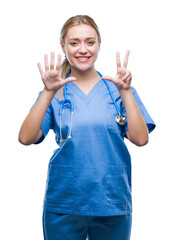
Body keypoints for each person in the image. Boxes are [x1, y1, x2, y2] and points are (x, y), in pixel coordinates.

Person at [18, 15, 156, 240]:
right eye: (74, 43)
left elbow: (141, 139)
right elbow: (25, 138)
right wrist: (47, 92)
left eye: (90, 42)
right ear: (63, 46)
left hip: (111, 201)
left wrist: (127, 92)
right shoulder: (55, 91)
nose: (83, 49)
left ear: (99, 44)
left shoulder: (118, 89)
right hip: (64, 202)